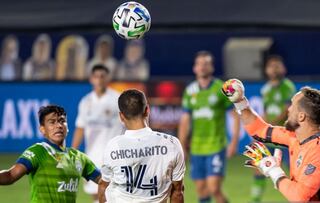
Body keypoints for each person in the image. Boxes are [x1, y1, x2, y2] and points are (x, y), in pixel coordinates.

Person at [223, 80, 320, 202]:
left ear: (301, 116)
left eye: (292, 105)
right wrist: (240, 102)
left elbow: (299, 197)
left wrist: (273, 170)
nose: (288, 109)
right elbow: (259, 129)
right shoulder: (294, 137)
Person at [98, 89, 185, 203]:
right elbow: (177, 192)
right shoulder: (172, 144)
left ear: (121, 116)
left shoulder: (113, 146)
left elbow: (103, 186)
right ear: (147, 110)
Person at [0, 105, 101, 202]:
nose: (58, 125)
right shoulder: (37, 151)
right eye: (52, 122)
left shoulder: (80, 157)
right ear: (42, 129)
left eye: (62, 121)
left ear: (68, 127)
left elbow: (103, 180)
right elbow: (11, 175)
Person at [178, 51, 240, 203]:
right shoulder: (190, 90)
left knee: (214, 188)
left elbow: (234, 115)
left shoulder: (221, 88)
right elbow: (185, 120)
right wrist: (181, 146)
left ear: (212, 67)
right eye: (199, 64)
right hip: (196, 148)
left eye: (206, 64)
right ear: (194, 68)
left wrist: (234, 141)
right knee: (201, 190)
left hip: (216, 146)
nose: (202, 67)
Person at [71, 64, 125, 203]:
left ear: (108, 78)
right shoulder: (86, 102)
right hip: (92, 157)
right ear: (91, 79)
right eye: (96, 76)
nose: (99, 80)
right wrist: (72, 153)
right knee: (96, 194)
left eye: (102, 76)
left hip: (114, 156)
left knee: (115, 194)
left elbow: (129, 123)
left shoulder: (117, 99)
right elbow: (80, 127)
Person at [251, 55, 296, 202]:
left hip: (285, 136)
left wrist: (270, 125)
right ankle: (255, 200)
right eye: (271, 66)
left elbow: (286, 110)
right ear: (266, 70)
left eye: (277, 65)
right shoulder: (266, 89)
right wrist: (260, 129)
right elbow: (264, 111)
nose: (274, 69)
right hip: (270, 136)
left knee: (294, 172)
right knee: (259, 167)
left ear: (283, 68)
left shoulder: (288, 87)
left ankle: (300, 197)